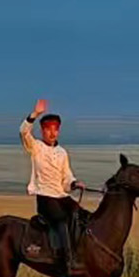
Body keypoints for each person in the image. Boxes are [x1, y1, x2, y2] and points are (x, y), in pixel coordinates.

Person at [20, 98, 80, 264]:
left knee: (81, 215)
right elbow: (24, 132)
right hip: (45, 197)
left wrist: (74, 183)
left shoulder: (62, 153)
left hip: (61, 196)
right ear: (42, 131)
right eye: (48, 130)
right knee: (61, 220)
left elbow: (66, 177)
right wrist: (35, 114)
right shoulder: (36, 147)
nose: (52, 133)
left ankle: (82, 251)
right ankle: (67, 260)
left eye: (55, 130)